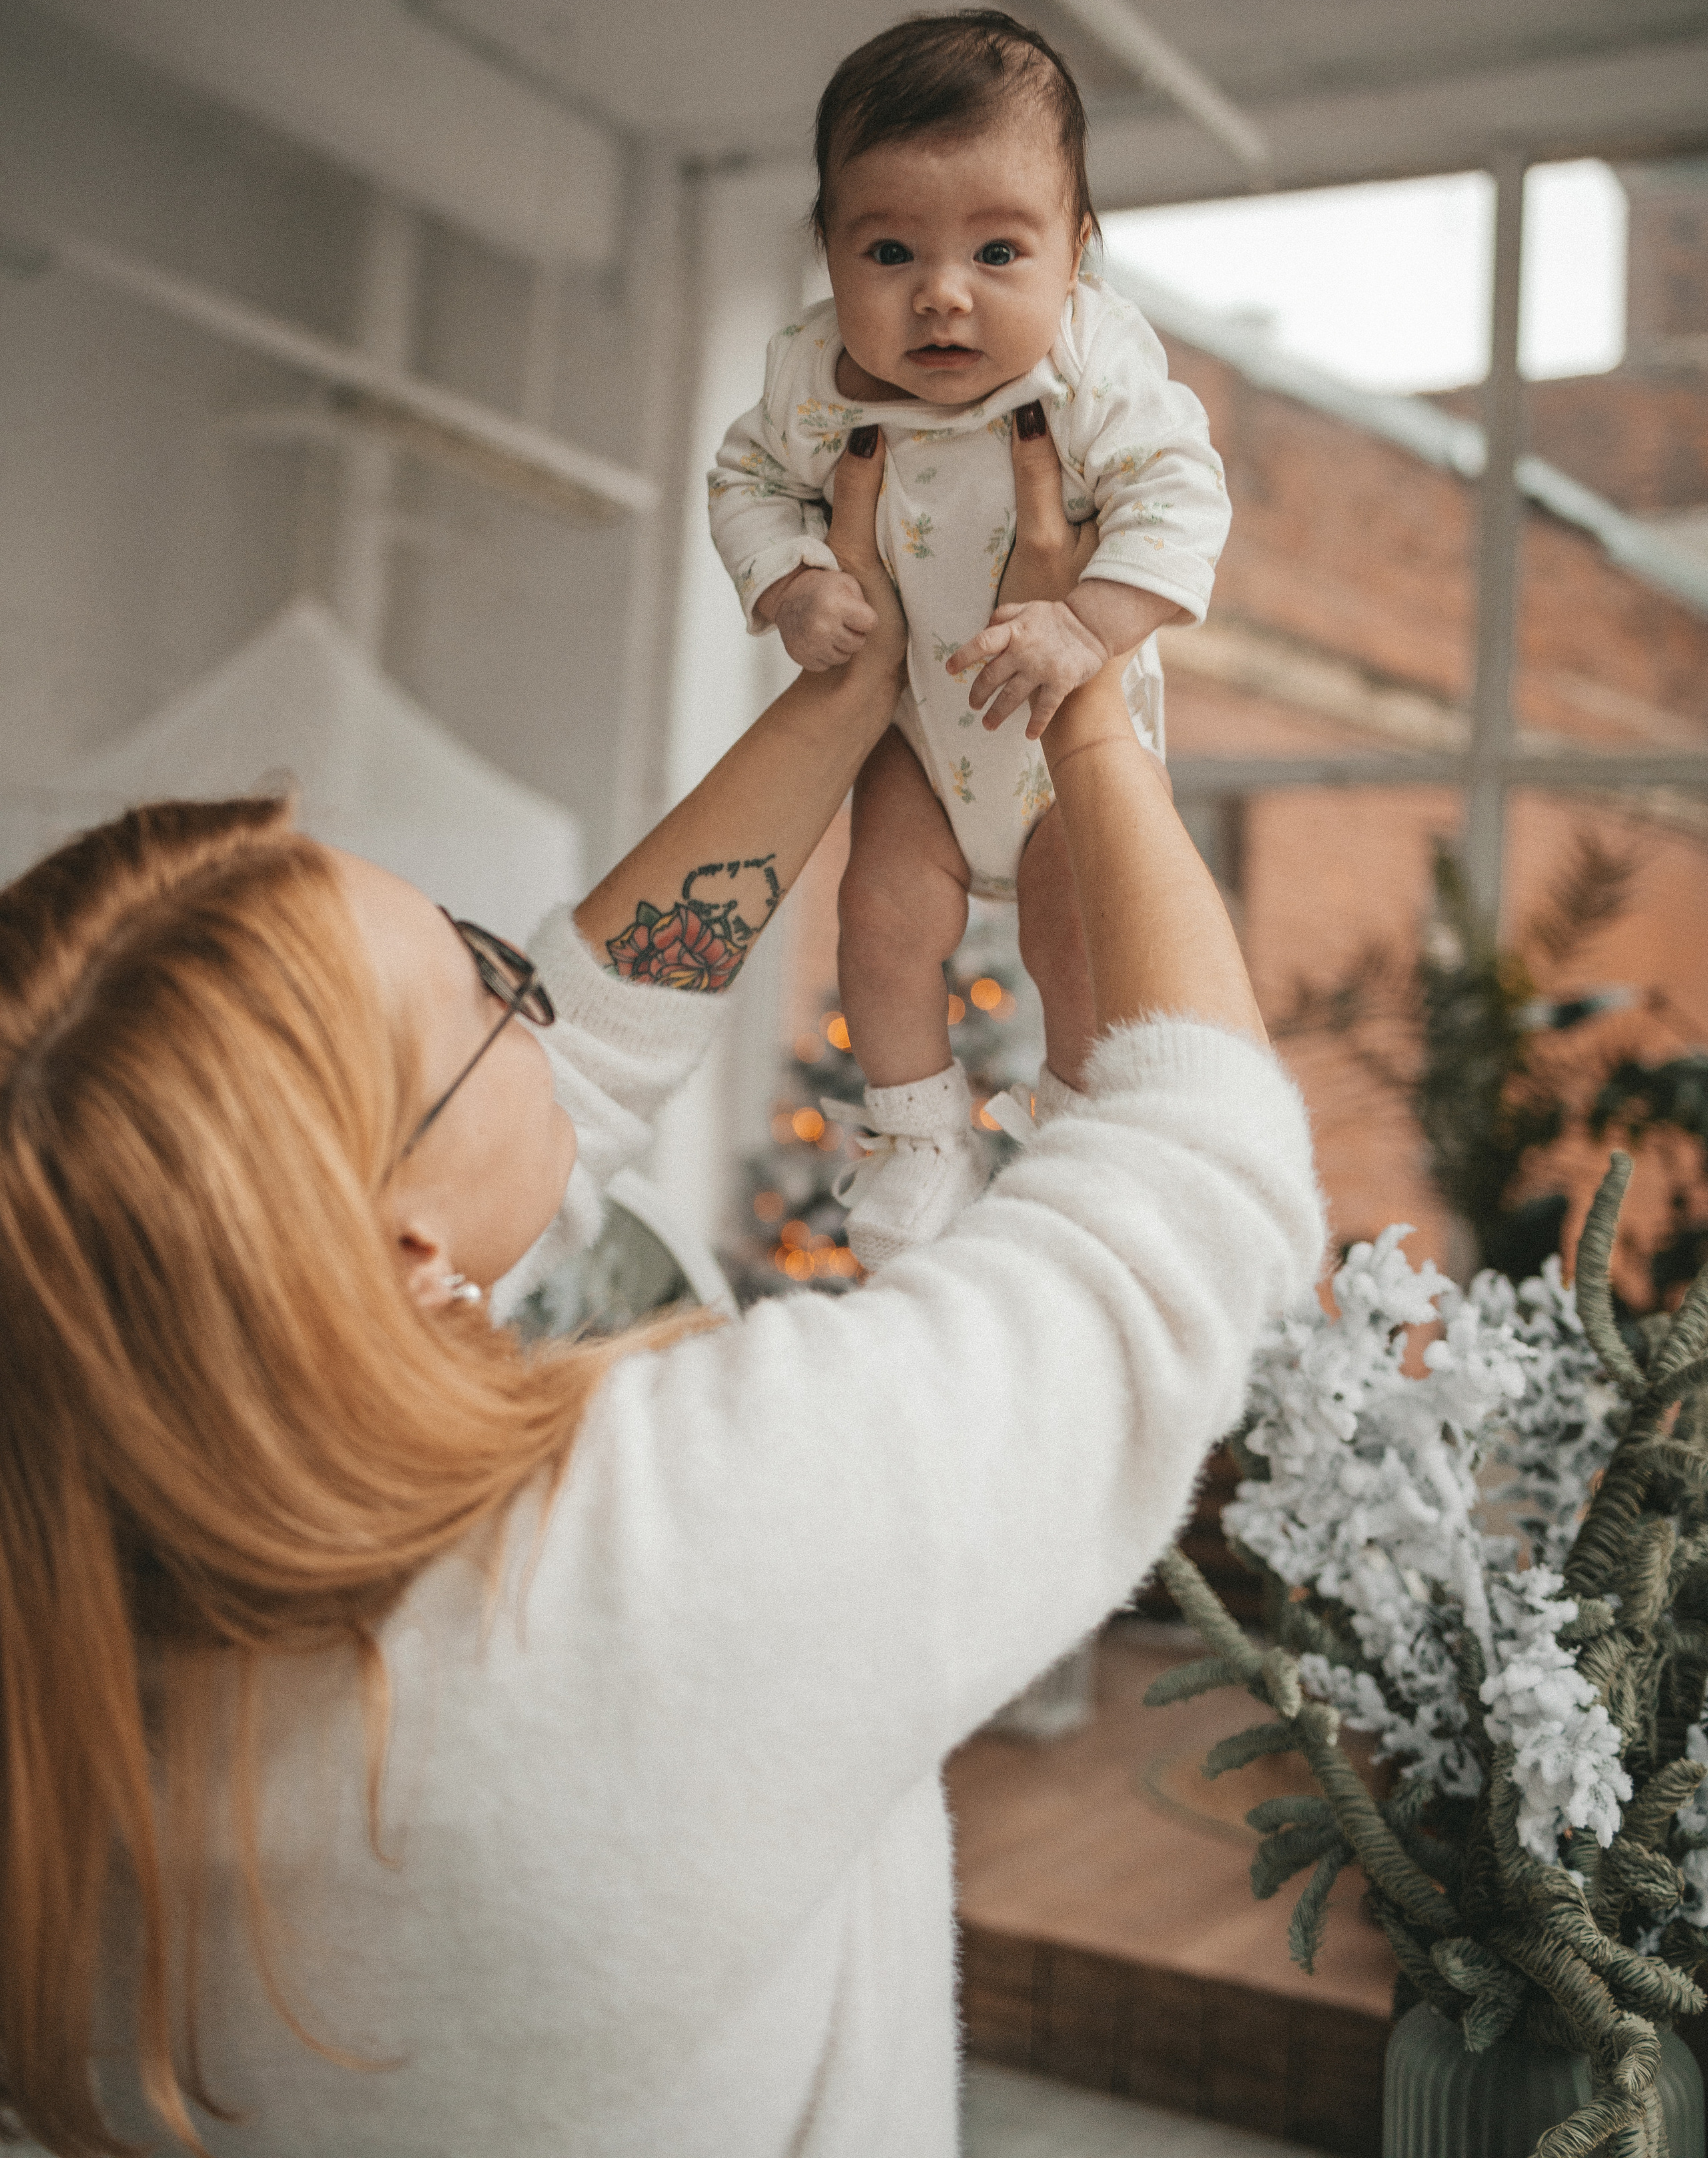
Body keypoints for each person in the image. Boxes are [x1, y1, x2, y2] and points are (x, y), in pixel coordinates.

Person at [0, 442, 1319, 2158]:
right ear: (405, 1262)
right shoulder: (651, 1567)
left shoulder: (79, 1602)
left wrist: (851, 694)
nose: (528, 986)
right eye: (485, 973)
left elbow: (569, 1054)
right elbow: (1200, 1187)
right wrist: (1084, 686)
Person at [708, 9, 1230, 1268]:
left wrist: (1084, 623)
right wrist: (787, 583)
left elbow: (1181, 497)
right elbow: (744, 482)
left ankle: (1068, 1134)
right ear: (828, 253)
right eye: (889, 249)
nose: (942, 295)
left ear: (1077, 257)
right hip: (920, 738)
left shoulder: (1094, 364)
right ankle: (914, 1130)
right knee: (878, 914)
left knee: (1073, 946)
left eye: (999, 251)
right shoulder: (806, 382)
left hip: (1064, 749)